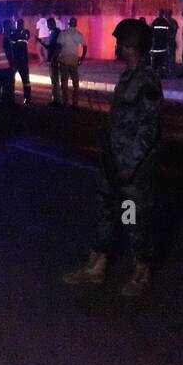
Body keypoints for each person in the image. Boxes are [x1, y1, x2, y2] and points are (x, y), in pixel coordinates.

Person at [63, 18, 162, 297]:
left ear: (130, 46)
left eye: (120, 42)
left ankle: (141, 271)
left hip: (132, 167)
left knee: (133, 218)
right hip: (112, 159)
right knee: (105, 210)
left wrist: (130, 166)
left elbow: (149, 128)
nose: (116, 46)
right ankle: (97, 266)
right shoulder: (126, 77)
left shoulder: (147, 80)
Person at [54, 16, 86, 108]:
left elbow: (58, 47)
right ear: (76, 24)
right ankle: (74, 103)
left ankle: (65, 103)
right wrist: (82, 58)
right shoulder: (79, 34)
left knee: (64, 83)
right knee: (75, 84)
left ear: (68, 24)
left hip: (63, 61)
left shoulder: (63, 33)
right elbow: (85, 46)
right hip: (73, 62)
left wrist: (55, 58)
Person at [9, 17, 32, 104]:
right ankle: (11, 96)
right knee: (11, 80)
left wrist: (15, 36)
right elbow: (12, 39)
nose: (19, 25)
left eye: (20, 24)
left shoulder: (26, 32)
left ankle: (28, 97)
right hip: (15, 60)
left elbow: (22, 38)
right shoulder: (13, 33)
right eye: (17, 24)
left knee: (26, 81)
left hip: (22, 60)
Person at [149, 9, 171, 76]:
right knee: (162, 60)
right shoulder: (165, 22)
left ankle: (154, 73)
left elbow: (151, 31)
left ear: (159, 13)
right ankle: (162, 73)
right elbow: (170, 32)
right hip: (163, 44)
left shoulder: (155, 21)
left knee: (155, 60)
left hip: (156, 44)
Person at [46, 16, 62, 106]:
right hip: (52, 58)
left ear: (53, 24)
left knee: (55, 80)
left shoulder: (56, 33)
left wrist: (53, 58)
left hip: (54, 59)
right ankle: (55, 99)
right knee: (54, 80)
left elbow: (58, 47)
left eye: (49, 24)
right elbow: (51, 47)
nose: (48, 26)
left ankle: (57, 100)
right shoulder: (53, 33)